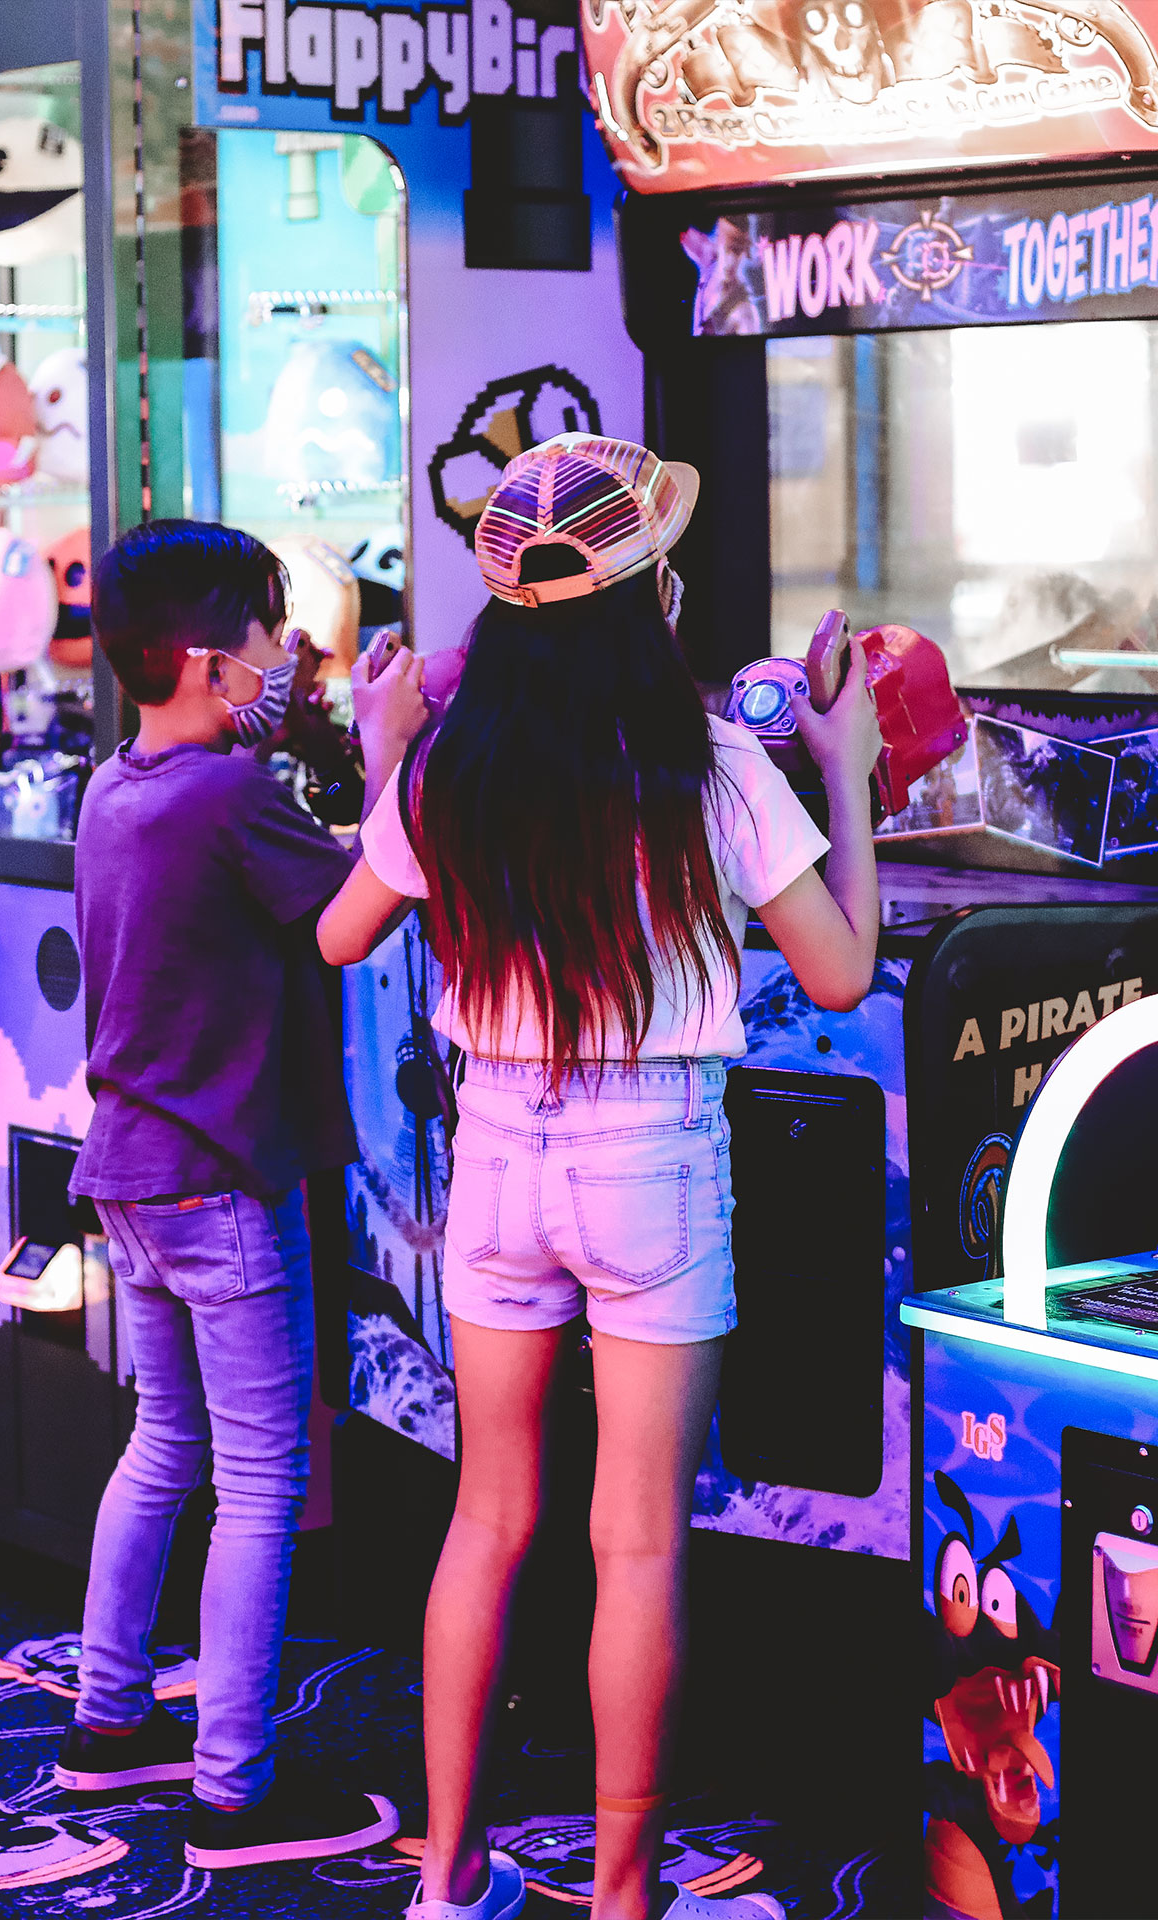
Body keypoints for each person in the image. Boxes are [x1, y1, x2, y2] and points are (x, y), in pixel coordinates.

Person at [316, 436, 882, 1920]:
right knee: (633, 1540)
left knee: (486, 1517)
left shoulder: (453, 766)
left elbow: (339, 933)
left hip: (497, 1154)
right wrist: (849, 772)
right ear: (653, 598)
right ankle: (623, 1896)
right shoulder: (714, 764)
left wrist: (388, 755)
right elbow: (840, 975)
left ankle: (448, 1878)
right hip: (652, 1164)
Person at [54, 521, 423, 1868]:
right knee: (263, 1481)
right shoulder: (228, 795)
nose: (289, 655)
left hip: (132, 1177)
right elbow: (356, 912)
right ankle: (235, 1790)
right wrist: (390, 750)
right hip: (221, 1183)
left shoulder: (117, 786)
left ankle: (107, 1720)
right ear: (214, 663)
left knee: (162, 1445)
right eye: (272, 637)